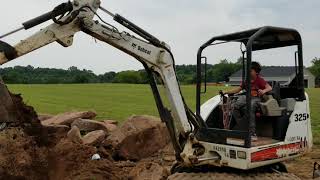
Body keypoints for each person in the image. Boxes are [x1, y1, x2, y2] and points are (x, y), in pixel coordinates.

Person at [223, 61, 272, 141]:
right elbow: (238, 89)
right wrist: (226, 92)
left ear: (256, 72)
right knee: (234, 106)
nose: (248, 72)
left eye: (250, 70)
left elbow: (269, 87)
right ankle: (243, 127)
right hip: (247, 97)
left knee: (250, 106)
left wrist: (263, 91)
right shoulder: (246, 80)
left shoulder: (259, 80)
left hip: (256, 99)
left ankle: (252, 133)